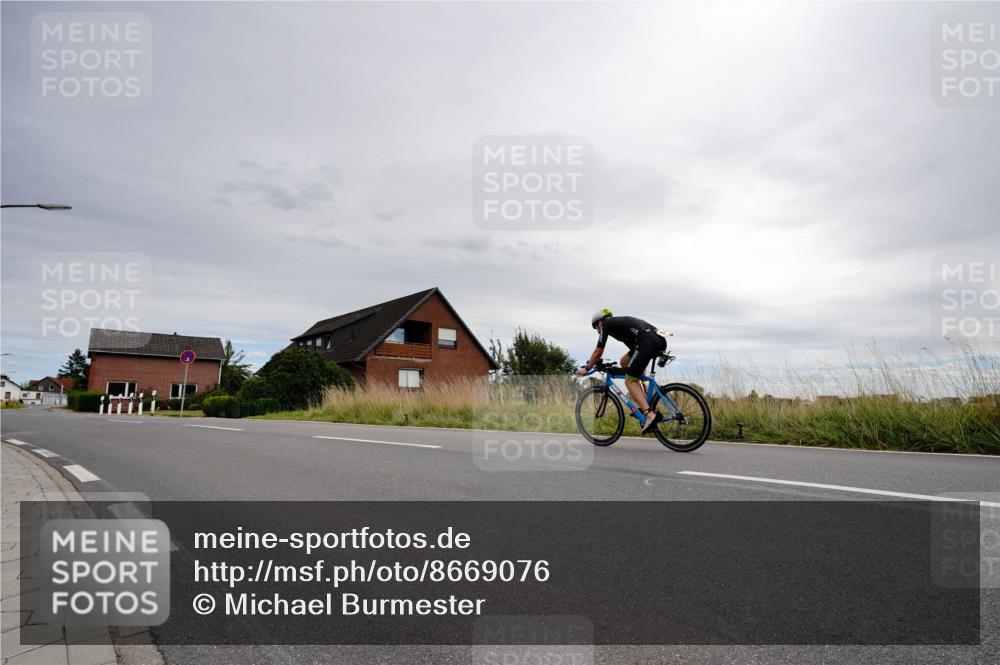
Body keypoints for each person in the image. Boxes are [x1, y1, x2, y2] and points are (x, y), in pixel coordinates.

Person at [575, 309, 668, 434]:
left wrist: (587, 368)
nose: (598, 331)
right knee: (624, 362)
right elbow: (637, 355)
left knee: (629, 380)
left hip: (647, 341)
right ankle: (645, 396)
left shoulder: (607, 324)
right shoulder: (621, 327)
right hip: (659, 340)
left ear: (600, 322)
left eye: (596, 327)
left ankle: (650, 414)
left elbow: (598, 351)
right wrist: (639, 373)